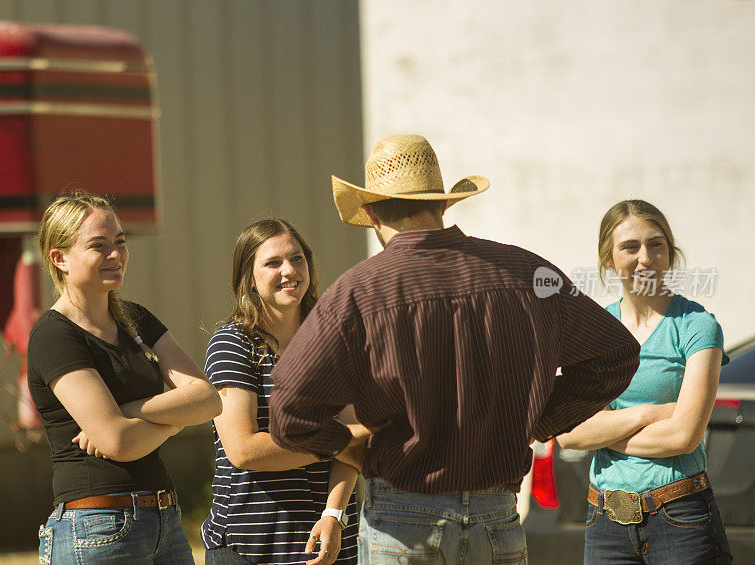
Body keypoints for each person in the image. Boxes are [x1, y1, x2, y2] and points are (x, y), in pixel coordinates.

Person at [267, 134, 640, 564]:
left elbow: (289, 415)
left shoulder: (357, 293)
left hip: (401, 522)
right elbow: (616, 356)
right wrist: (537, 420)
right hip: (498, 520)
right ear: (444, 205)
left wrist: (352, 449)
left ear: (370, 213)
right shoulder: (526, 271)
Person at [28, 192, 221, 564]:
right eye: (99, 246)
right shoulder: (54, 335)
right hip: (96, 525)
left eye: (119, 242)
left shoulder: (136, 318)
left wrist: (130, 411)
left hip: (166, 519)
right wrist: (174, 419)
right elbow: (117, 441)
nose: (116, 254)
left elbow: (209, 399)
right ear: (59, 258)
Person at [557, 199, 732, 564]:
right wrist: (652, 414)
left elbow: (683, 437)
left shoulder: (697, 326)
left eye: (656, 244)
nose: (646, 258)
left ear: (670, 253)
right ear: (609, 258)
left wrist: (603, 428)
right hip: (604, 522)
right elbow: (569, 434)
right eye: (630, 247)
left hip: (680, 518)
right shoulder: (594, 331)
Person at [201, 218, 358, 565]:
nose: (289, 270)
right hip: (251, 547)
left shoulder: (334, 341)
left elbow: (354, 440)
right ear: (249, 278)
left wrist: (334, 515)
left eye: (297, 258)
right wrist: (337, 442)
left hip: (329, 542)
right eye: (273, 263)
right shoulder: (232, 344)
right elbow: (244, 450)